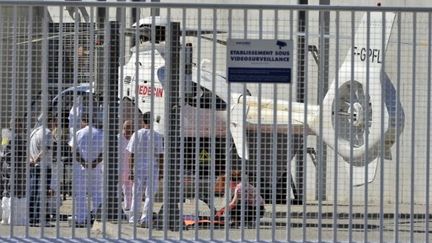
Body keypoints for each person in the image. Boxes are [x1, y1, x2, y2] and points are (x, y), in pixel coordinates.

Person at [126, 112, 164, 227]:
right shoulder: (157, 135)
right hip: (152, 167)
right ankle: (145, 218)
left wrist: (130, 170)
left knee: (136, 194)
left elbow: (131, 154)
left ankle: (133, 218)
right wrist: (161, 171)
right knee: (149, 195)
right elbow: (160, 155)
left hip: (138, 167)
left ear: (143, 121)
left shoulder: (136, 134)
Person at [68, 114, 104, 228]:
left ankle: (80, 218)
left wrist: (83, 162)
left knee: (80, 194)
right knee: (97, 193)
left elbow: (73, 150)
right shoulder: (100, 133)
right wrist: (95, 162)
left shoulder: (79, 133)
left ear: (84, 121)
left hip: (81, 168)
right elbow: (104, 152)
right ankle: (98, 217)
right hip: (96, 168)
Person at [28, 113, 57, 227]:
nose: (56, 124)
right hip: (43, 167)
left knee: (33, 192)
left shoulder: (34, 132)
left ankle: (32, 218)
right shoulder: (47, 133)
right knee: (43, 193)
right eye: (54, 121)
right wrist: (36, 159)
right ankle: (41, 220)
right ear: (49, 121)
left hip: (34, 167)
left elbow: (29, 149)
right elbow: (45, 149)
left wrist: (32, 159)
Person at [1, 117, 27, 225]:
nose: (22, 127)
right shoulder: (15, 137)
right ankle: (14, 218)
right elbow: (8, 153)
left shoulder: (6, 135)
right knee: (15, 192)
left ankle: (5, 218)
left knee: (6, 192)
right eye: (20, 125)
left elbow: (3, 151)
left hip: (6, 168)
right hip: (15, 168)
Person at [118, 120, 133, 212]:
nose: (126, 129)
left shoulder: (134, 138)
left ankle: (128, 207)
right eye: (125, 127)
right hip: (118, 167)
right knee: (116, 188)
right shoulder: (118, 138)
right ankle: (115, 207)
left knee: (128, 189)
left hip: (129, 167)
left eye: (128, 127)